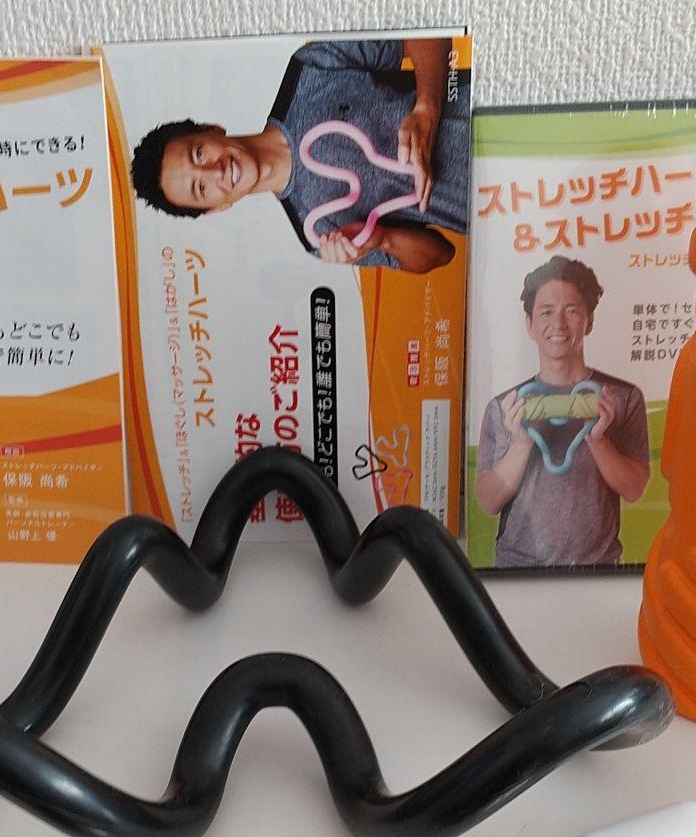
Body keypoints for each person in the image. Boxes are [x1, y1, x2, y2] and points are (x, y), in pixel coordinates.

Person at [130, 38, 470, 274]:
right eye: (201, 189)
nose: (214, 172)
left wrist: (426, 107)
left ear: (210, 129)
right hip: (493, 201)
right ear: (216, 208)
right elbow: (440, 254)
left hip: (491, 106)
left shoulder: (311, 69)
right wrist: (380, 240)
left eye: (199, 153)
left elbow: (426, 32)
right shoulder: (318, 234)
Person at [475, 256, 650, 568]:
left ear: (589, 321)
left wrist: (599, 440)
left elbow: (634, 489)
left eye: (571, 311)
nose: (558, 324)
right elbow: (488, 502)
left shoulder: (623, 398)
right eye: (546, 312)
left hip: (597, 568)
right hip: (516, 569)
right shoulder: (506, 406)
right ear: (529, 324)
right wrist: (521, 443)